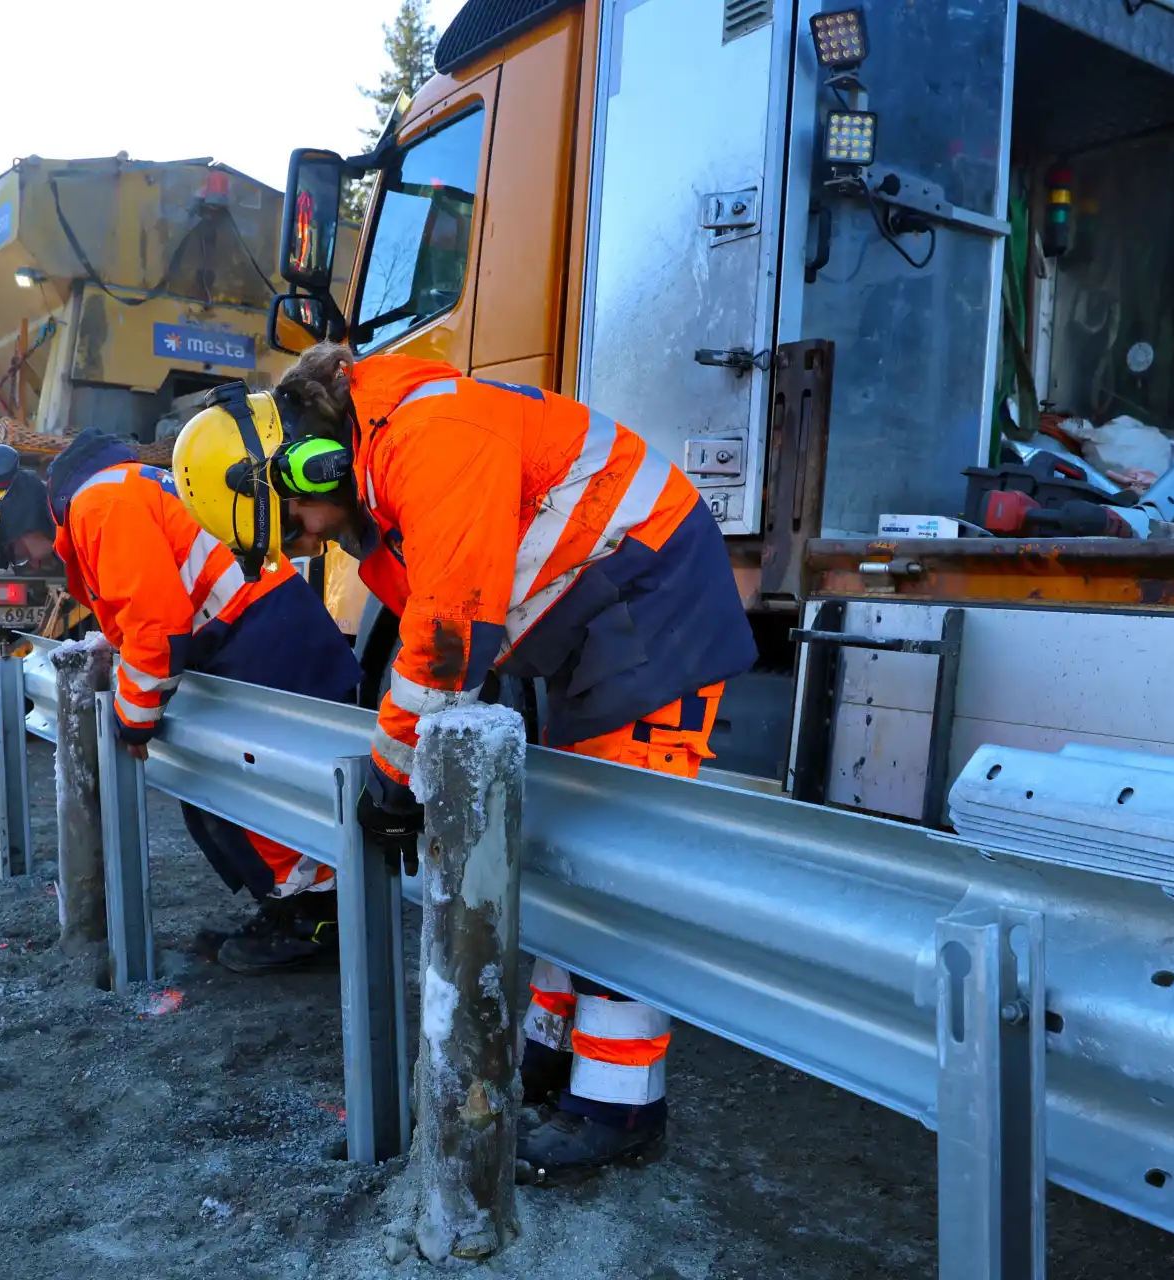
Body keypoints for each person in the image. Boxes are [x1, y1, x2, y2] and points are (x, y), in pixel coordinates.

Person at [172, 346, 758, 1177]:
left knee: (616, 872)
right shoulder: (379, 475)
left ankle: (620, 1107)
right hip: (599, 617)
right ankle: (552, 1054)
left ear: (312, 461)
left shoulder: (429, 436)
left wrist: (394, 776)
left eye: (296, 519)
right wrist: (402, 768)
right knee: (568, 853)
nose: (310, 537)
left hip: (653, 605)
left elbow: (447, 634)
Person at [0, 437, 361, 972]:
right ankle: (289, 908)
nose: (28, 562)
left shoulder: (98, 506)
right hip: (251, 628)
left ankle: (314, 917)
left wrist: (133, 720)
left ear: (10, 514)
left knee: (256, 796)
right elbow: (142, 610)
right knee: (219, 799)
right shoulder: (97, 499)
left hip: (263, 633)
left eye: (15, 553)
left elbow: (155, 624)